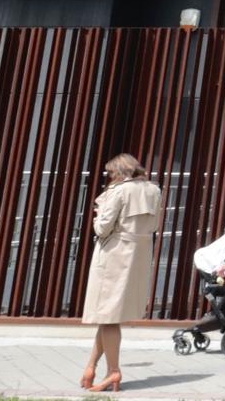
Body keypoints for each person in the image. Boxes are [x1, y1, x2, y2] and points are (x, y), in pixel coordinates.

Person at [80, 154, 163, 392]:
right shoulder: (153, 191)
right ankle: (90, 368)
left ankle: (113, 372)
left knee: (107, 316)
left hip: (114, 255)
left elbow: (102, 228)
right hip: (138, 255)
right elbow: (155, 225)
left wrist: (98, 217)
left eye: (111, 172)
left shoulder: (119, 192)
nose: (110, 177)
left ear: (119, 171)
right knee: (108, 316)